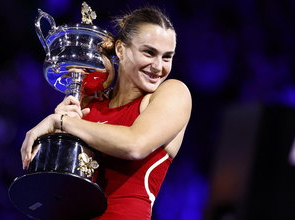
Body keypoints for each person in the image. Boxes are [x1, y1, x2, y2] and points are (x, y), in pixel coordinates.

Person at [21, 6, 192, 220]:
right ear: (120, 50)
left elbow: (134, 145)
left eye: (167, 57)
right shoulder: (89, 105)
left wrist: (62, 122)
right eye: (149, 52)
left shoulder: (173, 93)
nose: (158, 66)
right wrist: (53, 141)